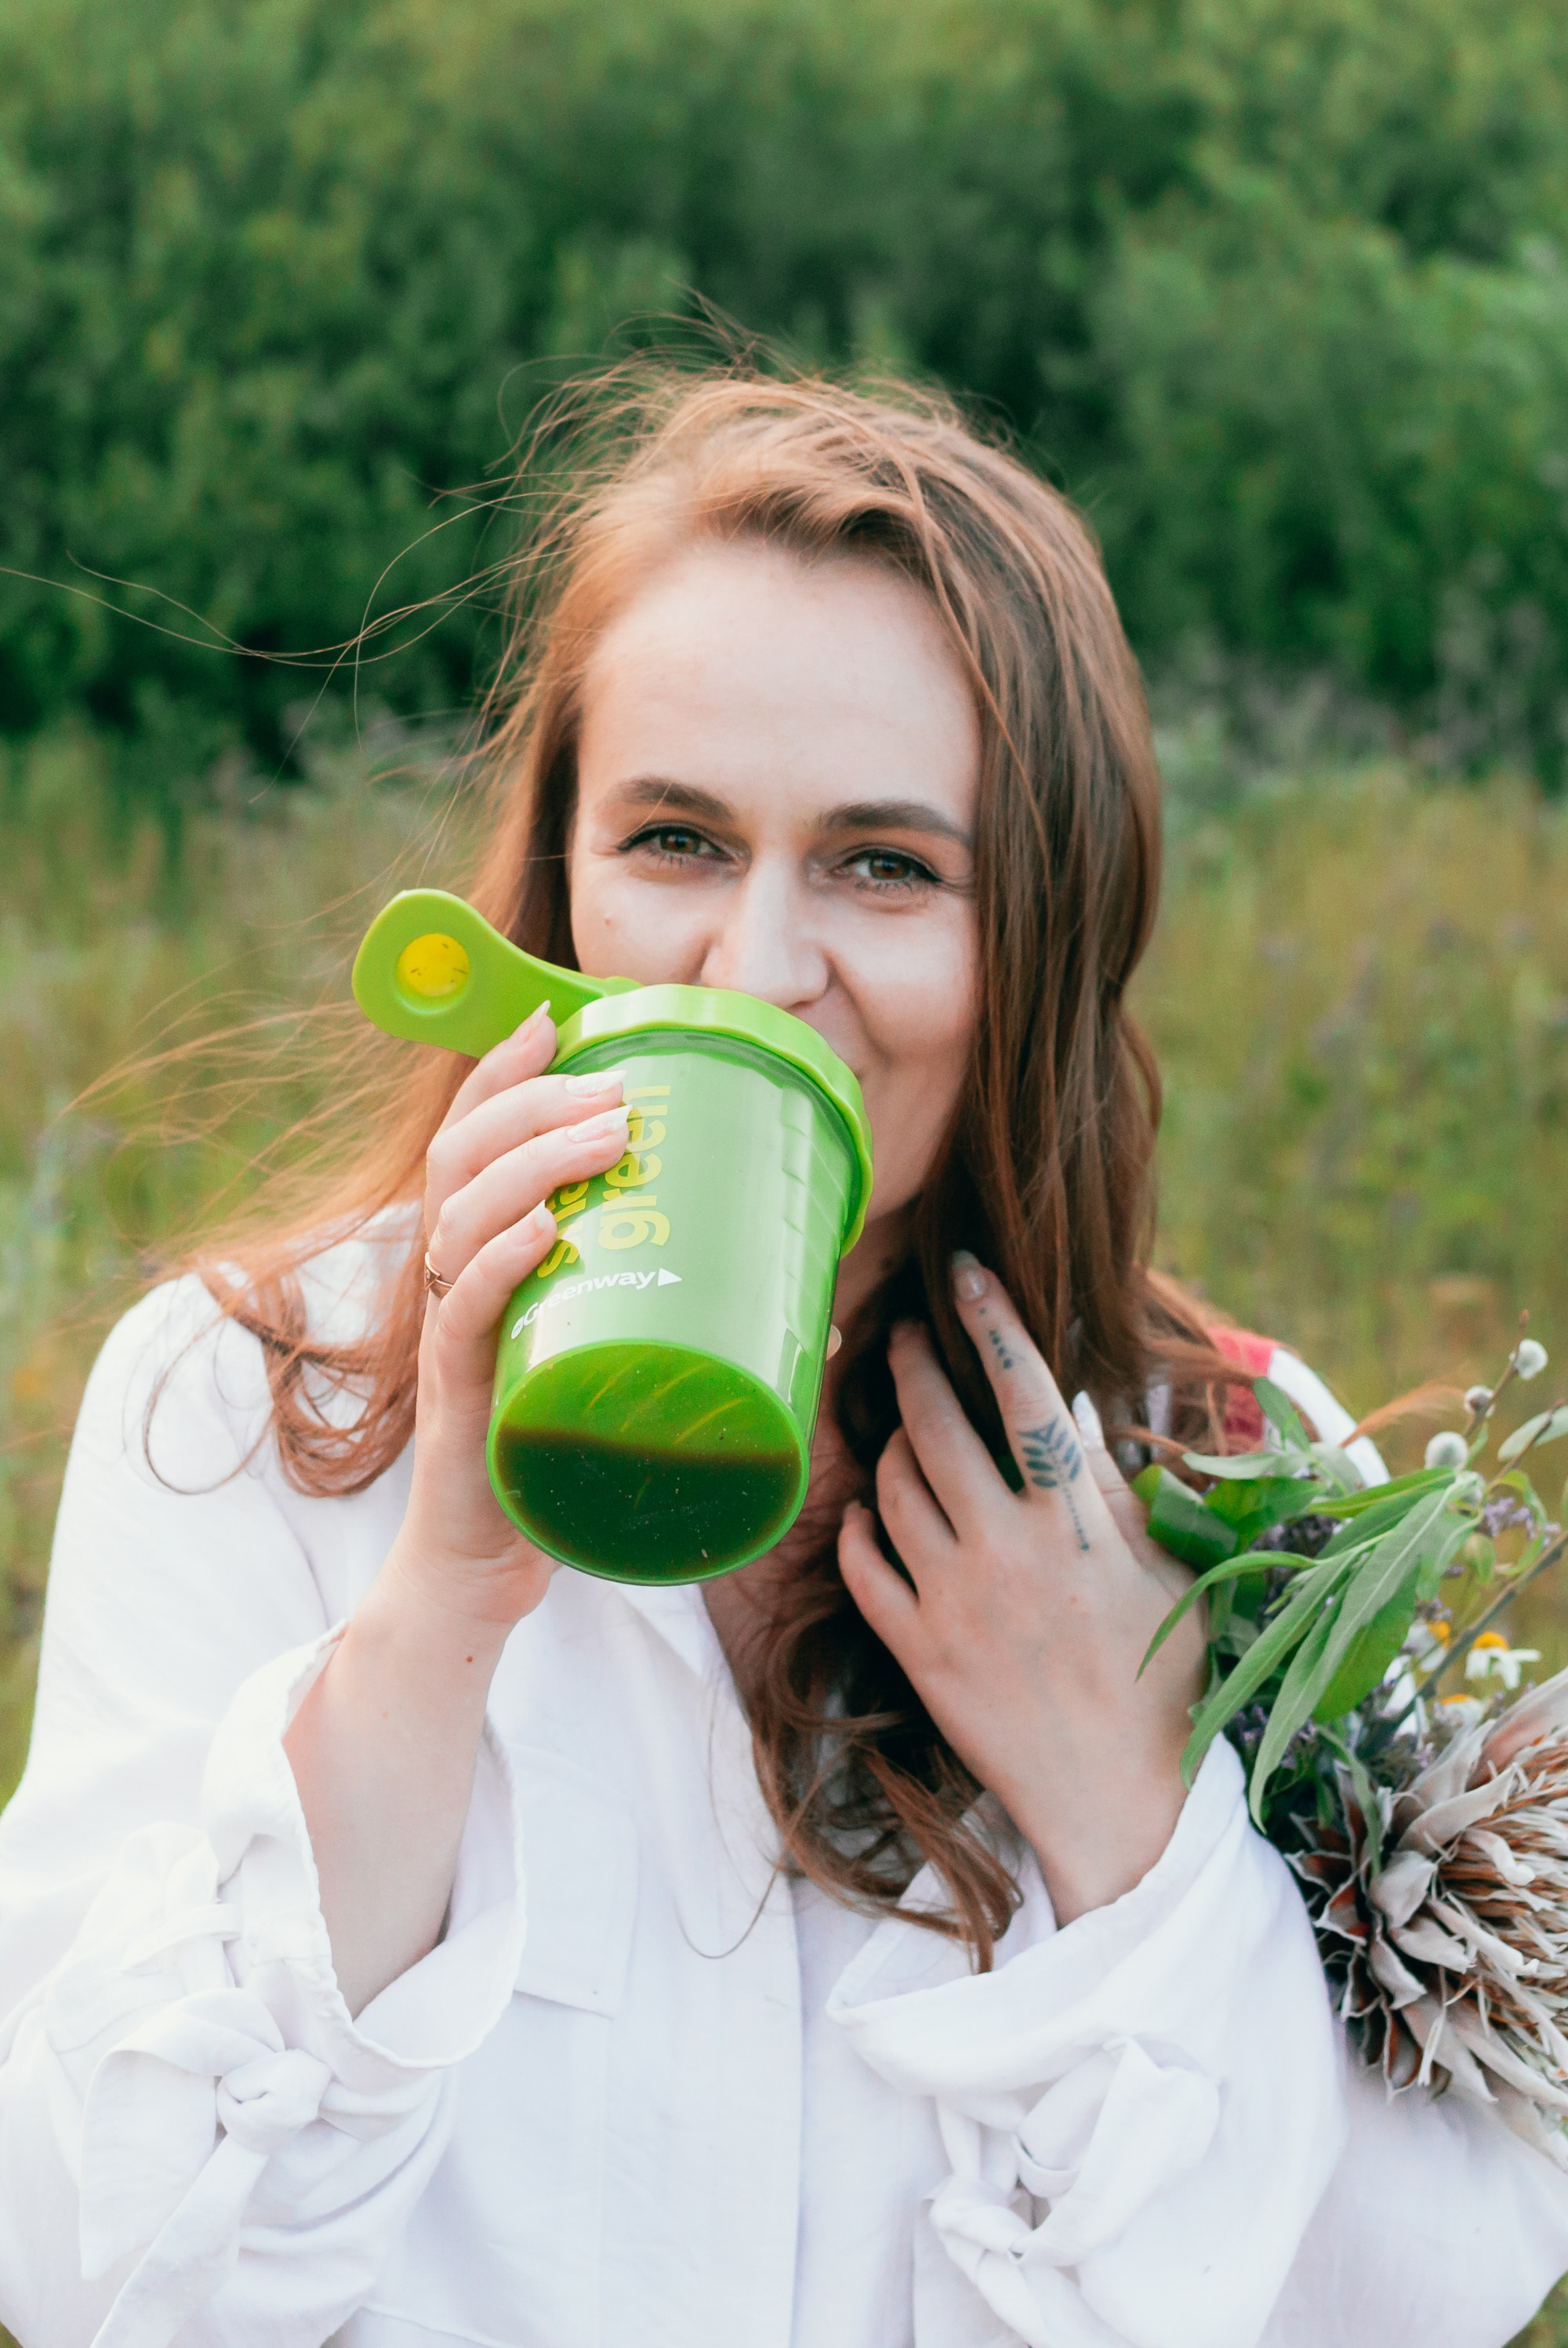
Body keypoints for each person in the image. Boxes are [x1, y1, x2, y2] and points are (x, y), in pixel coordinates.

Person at [0, 372, 1563, 2348]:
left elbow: (1423, 2292)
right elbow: (96, 2276)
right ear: (556, 876)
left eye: (884, 866)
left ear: (1041, 948)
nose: (751, 966)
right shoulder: (250, 1413)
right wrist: (440, 1608)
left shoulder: (1244, 1480)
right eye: (672, 839)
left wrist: (1127, 1808)